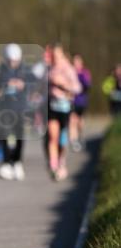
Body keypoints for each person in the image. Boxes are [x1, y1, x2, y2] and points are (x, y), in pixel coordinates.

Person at [46, 44, 81, 181]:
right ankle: (53, 167)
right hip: (52, 107)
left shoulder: (69, 69)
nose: (56, 57)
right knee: (52, 137)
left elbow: (77, 88)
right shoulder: (50, 68)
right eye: (54, 55)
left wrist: (64, 86)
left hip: (65, 108)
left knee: (62, 140)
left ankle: (61, 162)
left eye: (58, 55)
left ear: (62, 54)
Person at [0, 44, 30, 180]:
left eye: (15, 60)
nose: (12, 63)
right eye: (10, 60)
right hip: (4, 109)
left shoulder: (25, 70)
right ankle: (6, 162)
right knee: (4, 135)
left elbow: (33, 85)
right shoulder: (0, 71)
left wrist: (23, 85)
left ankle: (17, 162)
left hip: (20, 109)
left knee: (19, 136)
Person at [69, 54, 92, 152]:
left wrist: (81, 78)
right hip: (72, 100)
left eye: (78, 62)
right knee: (72, 120)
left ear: (81, 62)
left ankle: (80, 136)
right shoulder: (70, 72)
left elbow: (88, 85)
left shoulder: (85, 72)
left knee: (79, 121)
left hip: (81, 101)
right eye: (74, 62)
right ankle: (74, 141)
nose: (76, 64)